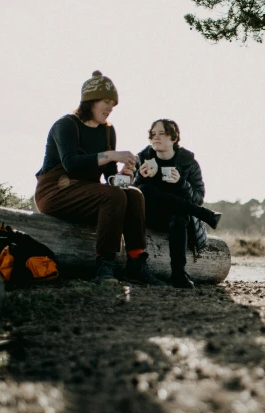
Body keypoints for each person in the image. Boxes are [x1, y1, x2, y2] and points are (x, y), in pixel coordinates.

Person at [34, 71, 165, 286]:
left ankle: (136, 263)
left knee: (134, 195)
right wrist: (112, 155)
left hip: (89, 193)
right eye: (106, 101)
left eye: (113, 103)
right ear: (90, 101)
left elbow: (109, 177)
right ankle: (104, 264)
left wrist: (124, 175)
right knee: (113, 196)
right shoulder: (66, 125)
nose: (110, 108)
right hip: (55, 192)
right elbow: (71, 164)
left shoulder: (107, 131)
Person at [133, 119, 222, 289]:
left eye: (161, 133)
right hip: (148, 215)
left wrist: (181, 182)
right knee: (144, 188)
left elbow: (198, 196)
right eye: (153, 134)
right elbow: (134, 193)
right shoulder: (143, 159)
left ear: (173, 138)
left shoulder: (188, 163)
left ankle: (178, 273)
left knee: (179, 216)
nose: (156, 138)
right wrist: (141, 176)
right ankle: (204, 214)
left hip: (176, 219)